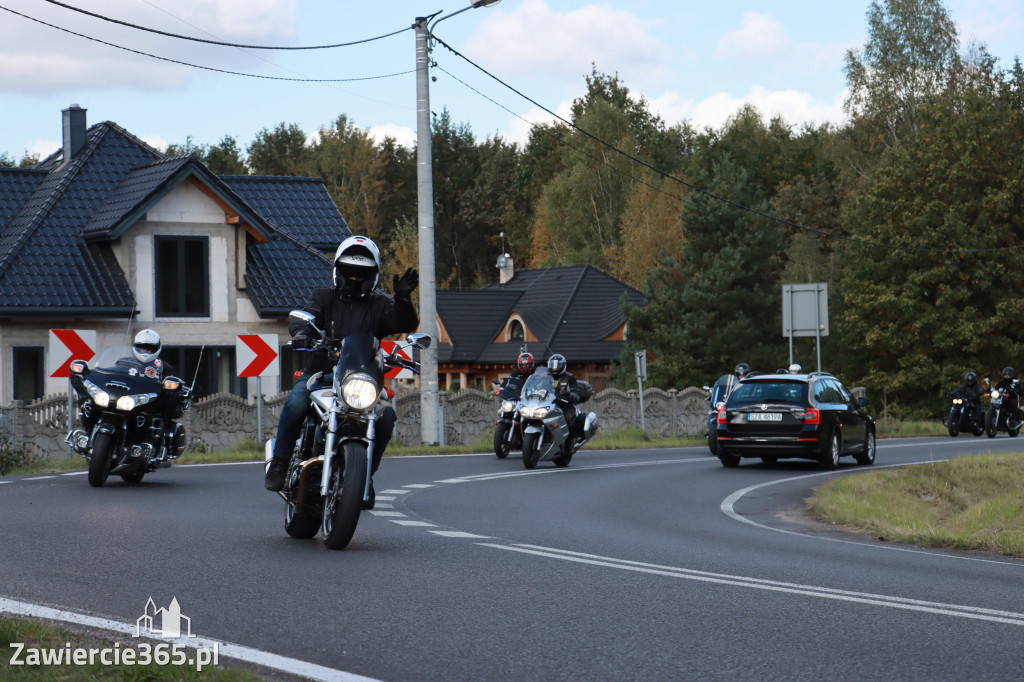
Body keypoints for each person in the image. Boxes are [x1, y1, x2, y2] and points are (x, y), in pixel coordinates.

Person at [264, 235, 419, 502]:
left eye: (363, 273)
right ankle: (279, 462)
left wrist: (403, 300)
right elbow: (306, 318)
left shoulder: (381, 304)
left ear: (373, 275)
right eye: (350, 272)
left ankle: (364, 475)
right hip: (322, 377)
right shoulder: (323, 297)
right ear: (338, 271)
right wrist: (303, 333)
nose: (356, 278)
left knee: (387, 419)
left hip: (363, 381)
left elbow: (403, 324)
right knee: (297, 402)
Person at [547, 354, 583, 440]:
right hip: (549, 404)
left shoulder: (569, 378)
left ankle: (570, 441)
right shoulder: (546, 377)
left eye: (557, 365)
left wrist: (569, 397)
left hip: (565, 405)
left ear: (563, 366)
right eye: (552, 365)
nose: (554, 368)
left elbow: (575, 394)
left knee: (568, 418)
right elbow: (538, 387)